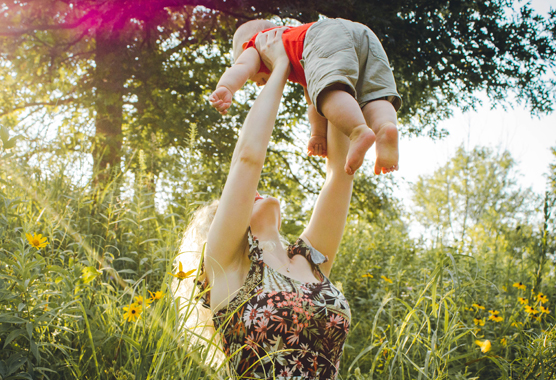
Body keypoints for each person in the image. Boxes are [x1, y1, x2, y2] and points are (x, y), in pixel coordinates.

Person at [174, 29, 353, 379]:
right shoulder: (226, 266)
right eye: (240, 201)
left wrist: (323, 72)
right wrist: (282, 64)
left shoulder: (309, 260)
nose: (252, 192)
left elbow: (341, 174)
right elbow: (248, 159)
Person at [209, 18, 402, 176]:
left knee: (329, 93)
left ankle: (358, 131)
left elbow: (241, 67)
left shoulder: (259, 44)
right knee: (373, 95)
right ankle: (385, 128)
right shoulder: (301, 52)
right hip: (363, 33)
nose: (259, 83)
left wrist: (226, 87)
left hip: (325, 34)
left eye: (255, 79)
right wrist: (318, 135)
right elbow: (314, 101)